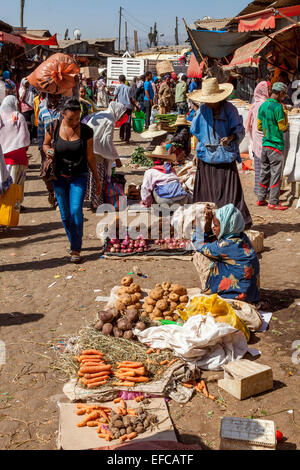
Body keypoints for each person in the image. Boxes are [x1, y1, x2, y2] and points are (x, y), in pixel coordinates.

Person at [43, 98, 101, 264]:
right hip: (58, 177)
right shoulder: (53, 127)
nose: (75, 122)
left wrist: (97, 180)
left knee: (76, 211)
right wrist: (48, 151)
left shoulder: (86, 131)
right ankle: (73, 240)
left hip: (79, 176)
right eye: (70, 119)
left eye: (78, 118)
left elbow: (90, 156)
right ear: (62, 114)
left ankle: (76, 248)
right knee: (65, 215)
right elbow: (45, 144)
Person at [190, 77, 252, 229]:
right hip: (206, 159)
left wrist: (230, 138)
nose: (210, 104)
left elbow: (239, 130)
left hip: (225, 158)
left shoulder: (230, 110)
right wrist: (197, 154)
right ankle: (207, 224)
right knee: (207, 194)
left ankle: (231, 224)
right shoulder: (203, 111)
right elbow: (195, 131)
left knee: (229, 194)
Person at [192, 203, 260, 304]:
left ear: (226, 226)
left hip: (236, 297)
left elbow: (199, 244)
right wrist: (209, 222)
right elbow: (215, 240)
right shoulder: (242, 237)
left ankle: (218, 292)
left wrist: (197, 226)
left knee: (199, 255)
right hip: (250, 294)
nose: (213, 228)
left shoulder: (225, 245)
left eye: (215, 225)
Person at [86, 102, 127, 211]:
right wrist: (117, 158)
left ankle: (93, 201)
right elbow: (107, 141)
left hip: (88, 148)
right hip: (96, 151)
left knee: (92, 176)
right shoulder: (110, 120)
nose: (122, 117)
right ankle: (96, 204)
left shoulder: (100, 114)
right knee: (97, 178)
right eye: (122, 114)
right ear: (117, 111)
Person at [256, 82, 289, 211]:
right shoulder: (278, 108)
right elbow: (282, 127)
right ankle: (273, 202)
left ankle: (261, 198)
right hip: (276, 145)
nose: (284, 97)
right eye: (284, 95)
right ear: (280, 93)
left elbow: (259, 126)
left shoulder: (263, 106)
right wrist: (285, 115)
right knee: (275, 174)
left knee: (264, 173)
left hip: (265, 145)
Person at [0, 96, 30, 206]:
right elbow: (25, 138)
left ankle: (5, 206)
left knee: (4, 183)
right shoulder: (18, 116)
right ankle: (16, 206)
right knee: (18, 184)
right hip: (19, 156)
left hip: (2, 157)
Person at [245, 81, 270, 197]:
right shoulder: (265, 105)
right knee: (265, 167)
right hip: (264, 140)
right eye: (268, 89)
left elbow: (248, 124)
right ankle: (264, 191)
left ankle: (258, 189)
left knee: (259, 166)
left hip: (256, 140)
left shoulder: (255, 104)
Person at [38, 93, 62, 207]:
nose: (54, 99)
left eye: (57, 97)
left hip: (60, 148)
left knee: (57, 173)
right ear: (48, 97)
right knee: (46, 174)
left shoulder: (63, 111)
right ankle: (51, 192)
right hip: (45, 147)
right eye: (52, 96)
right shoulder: (42, 111)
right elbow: (40, 130)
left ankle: (58, 199)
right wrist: (41, 148)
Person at [113, 75, 136, 143]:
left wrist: (112, 106)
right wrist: (136, 106)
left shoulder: (117, 87)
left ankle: (121, 136)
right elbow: (131, 99)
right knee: (128, 122)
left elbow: (114, 97)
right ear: (125, 80)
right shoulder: (129, 88)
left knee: (122, 121)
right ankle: (127, 138)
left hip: (120, 108)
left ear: (119, 80)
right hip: (128, 107)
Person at [19, 76, 35, 140]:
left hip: (32, 108)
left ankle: (33, 136)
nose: (27, 84)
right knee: (27, 124)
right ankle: (28, 138)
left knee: (33, 123)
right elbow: (22, 99)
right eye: (25, 83)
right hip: (25, 109)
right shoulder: (21, 89)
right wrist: (25, 90)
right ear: (23, 83)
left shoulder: (32, 88)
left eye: (28, 83)